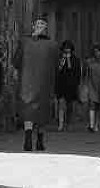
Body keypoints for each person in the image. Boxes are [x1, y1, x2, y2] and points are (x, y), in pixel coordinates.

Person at [14, 17, 58, 151]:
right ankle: (28, 139)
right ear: (33, 26)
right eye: (38, 24)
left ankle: (39, 140)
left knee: (41, 110)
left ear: (46, 28)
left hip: (43, 81)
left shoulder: (52, 44)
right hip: (29, 81)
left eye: (42, 24)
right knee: (30, 110)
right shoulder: (25, 42)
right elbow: (17, 61)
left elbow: (56, 64)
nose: (39, 26)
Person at [55, 40, 81, 131]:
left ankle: (69, 123)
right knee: (61, 105)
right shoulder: (59, 58)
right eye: (65, 48)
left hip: (71, 86)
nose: (67, 50)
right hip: (61, 85)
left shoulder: (75, 59)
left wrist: (77, 84)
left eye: (68, 48)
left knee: (70, 106)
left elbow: (77, 73)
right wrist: (63, 60)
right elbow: (57, 70)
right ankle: (61, 124)